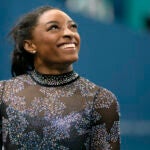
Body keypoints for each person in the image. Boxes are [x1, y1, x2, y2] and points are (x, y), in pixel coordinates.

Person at [0, 5, 120, 150]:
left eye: (73, 27)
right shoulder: (4, 92)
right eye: (54, 27)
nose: (69, 33)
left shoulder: (101, 100)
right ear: (30, 45)